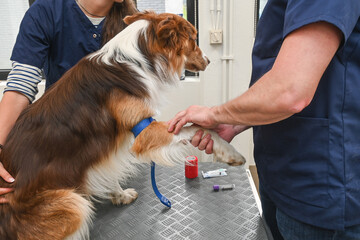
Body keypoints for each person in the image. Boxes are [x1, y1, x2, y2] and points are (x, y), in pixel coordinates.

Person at [168, 1, 360, 239]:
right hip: (279, 174)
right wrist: (234, 122)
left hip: (318, 188)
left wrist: (212, 114)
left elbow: (289, 91)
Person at [0, 0, 137, 203]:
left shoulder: (132, 21)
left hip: (109, 136)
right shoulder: (46, 11)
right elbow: (21, 84)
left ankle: (112, 188)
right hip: (62, 136)